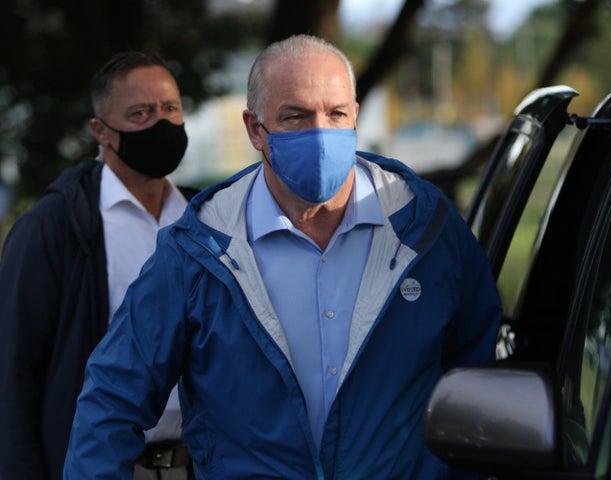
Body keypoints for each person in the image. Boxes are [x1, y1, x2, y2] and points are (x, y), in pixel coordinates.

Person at [63, 35, 502, 479]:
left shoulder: (425, 228)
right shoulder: (199, 249)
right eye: (295, 116)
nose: (321, 133)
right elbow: (113, 398)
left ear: (355, 114)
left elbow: (479, 376)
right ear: (255, 129)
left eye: (336, 114)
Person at [0, 51, 196, 480]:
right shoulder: (55, 229)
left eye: (170, 109)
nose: (160, 124)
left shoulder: (205, 220)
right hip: (103, 468)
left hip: (202, 466)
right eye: (140, 113)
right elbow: (14, 374)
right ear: (101, 131)